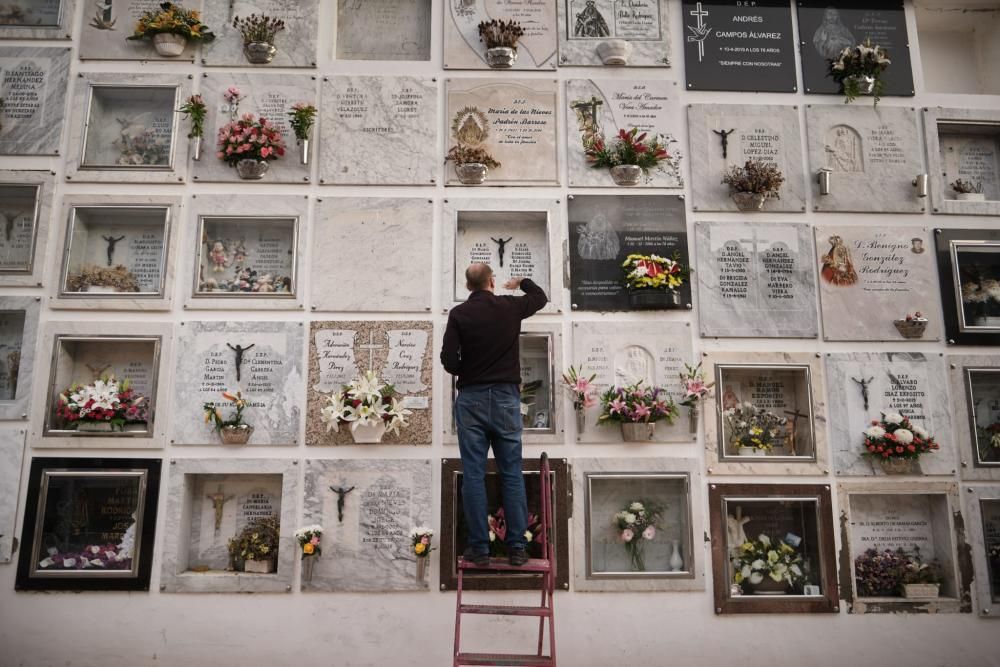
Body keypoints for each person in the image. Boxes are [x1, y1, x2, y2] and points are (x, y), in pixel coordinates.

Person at [440, 263, 548, 567]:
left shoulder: (459, 314)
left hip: (472, 398)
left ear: (467, 285)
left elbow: (448, 359)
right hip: (505, 398)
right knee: (511, 472)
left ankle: (479, 549)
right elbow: (540, 297)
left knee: (473, 474)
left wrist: (468, 373)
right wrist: (522, 282)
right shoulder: (509, 307)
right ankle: (516, 548)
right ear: (491, 281)